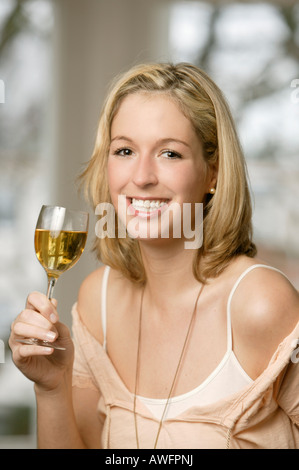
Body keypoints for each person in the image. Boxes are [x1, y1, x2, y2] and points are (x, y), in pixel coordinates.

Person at [9, 62, 299, 449]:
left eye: (170, 154)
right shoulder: (100, 302)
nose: (142, 177)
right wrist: (50, 388)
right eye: (125, 150)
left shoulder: (261, 303)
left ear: (213, 173)